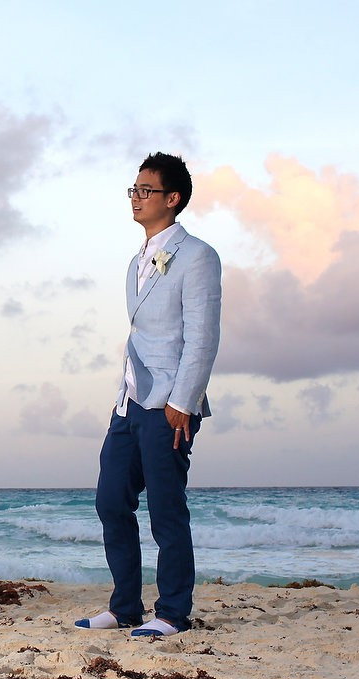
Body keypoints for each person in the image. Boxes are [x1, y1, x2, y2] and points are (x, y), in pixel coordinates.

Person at [76, 153, 222, 637]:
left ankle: (173, 612)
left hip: (171, 404)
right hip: (129, 401)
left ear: (172, 198)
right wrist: (123, 396)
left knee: (165, 508)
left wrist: (184, 400)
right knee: (110, 499)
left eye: (145, 190)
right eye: (133, 190)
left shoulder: (198, 256)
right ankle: (124, 607)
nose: (136, 198)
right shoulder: (135, 261)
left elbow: (202, 336)